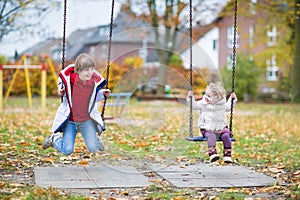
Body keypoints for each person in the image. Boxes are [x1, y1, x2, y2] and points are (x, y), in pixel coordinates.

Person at [42, 53, 110, 155]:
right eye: (86, 70)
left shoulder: (93, 82)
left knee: (93, 148)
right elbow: (62, 82)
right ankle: (54, 139)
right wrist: (61, 89)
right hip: (71, 121)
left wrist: (102, 94)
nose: (90, 72)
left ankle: (94, 140)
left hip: (86, 121)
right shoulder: (70, 80)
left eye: (91, 69)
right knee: (67, 150)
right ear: (78, 70)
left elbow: (92, 99)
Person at [187, 82, 237, 163]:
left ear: (218, 98)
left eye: (209, 96)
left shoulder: (222, 105)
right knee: (211, 135)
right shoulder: (203, 103)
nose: (206, 97)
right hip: (207, 129)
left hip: (221, 128)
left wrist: (232, 99)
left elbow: (229, 107)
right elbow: (194, 106)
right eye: (206, 95)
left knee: (226, 136)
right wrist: (191, 98)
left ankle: (227, 155)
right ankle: (212, 153)